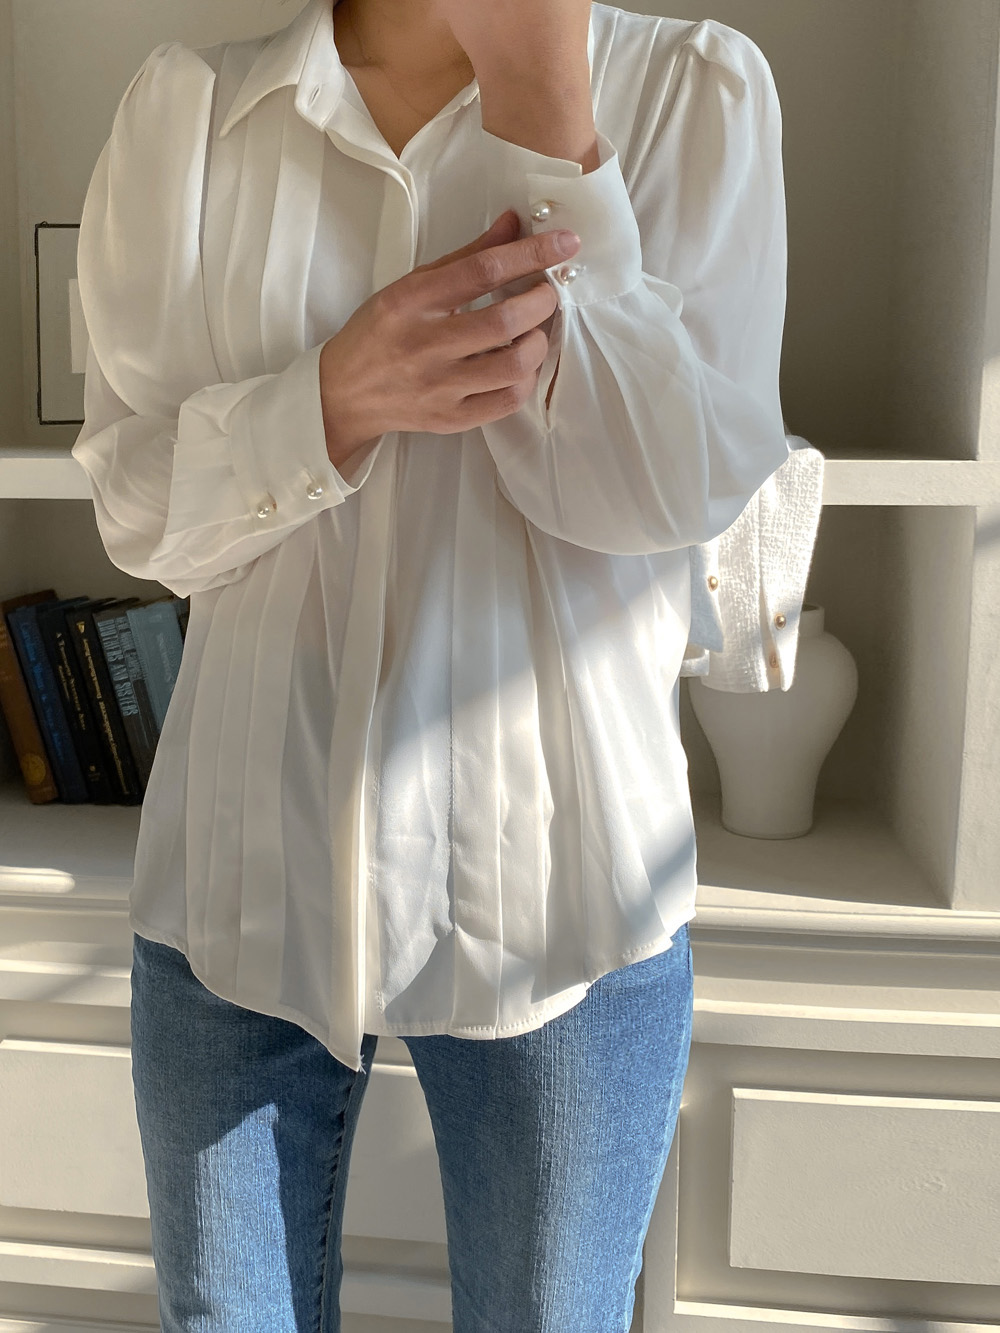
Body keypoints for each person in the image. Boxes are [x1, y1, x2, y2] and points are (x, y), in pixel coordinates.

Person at [73, 0, 792, 1327]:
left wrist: (545, 110)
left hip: (565, 907)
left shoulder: (691, 94)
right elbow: (137, 512)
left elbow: (670, 493)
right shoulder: (189, 114)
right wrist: (328, 403)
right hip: (240, 883)